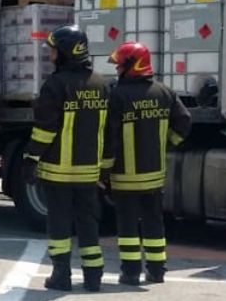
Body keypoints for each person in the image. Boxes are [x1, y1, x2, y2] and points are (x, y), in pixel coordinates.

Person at [21, 25, 112, 292]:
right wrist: (105, 169)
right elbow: (109, 131)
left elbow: (44, 130)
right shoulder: (101, 84)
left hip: (58, 172)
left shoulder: (55, 85)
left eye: (52, 51)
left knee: (59, 225)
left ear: (65, 53)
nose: (50, 55)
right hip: (89, 172)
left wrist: (30, 159)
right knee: (88, 224)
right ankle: (93, 277)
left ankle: (61, 276)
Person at [103, 41, 191, 285]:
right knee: (154, 223)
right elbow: (184, 121)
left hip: (125, 177)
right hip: (154, 175)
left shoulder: (117, 96)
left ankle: (130, 273)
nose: (117, 69)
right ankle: (157, 270)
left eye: (120, 65)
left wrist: (104, 171)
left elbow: (109, 137)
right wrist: (167, 143)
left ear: (132, 65)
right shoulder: (164, 92)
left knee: (128, 226)